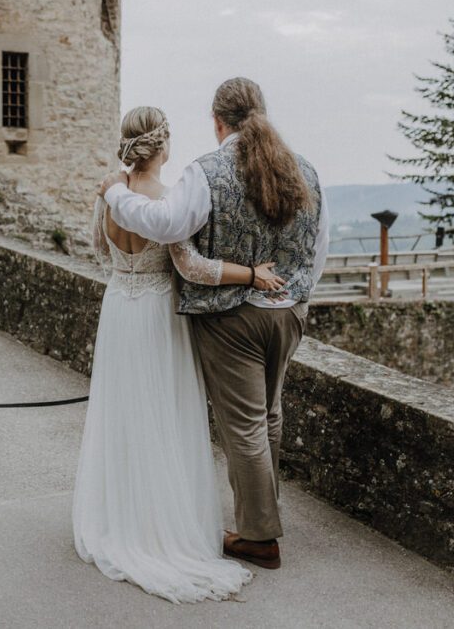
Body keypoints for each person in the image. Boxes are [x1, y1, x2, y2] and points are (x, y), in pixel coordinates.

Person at [99, 78, 329, 570]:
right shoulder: (305, 169)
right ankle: (265, 512)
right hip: (288, 312)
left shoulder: (207, 172)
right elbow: (318, 247)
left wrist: (115, 195)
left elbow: (168, 230)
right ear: (261, 113)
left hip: (232, 319)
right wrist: (297, 302)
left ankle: (260, 536)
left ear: (217, 121)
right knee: (269, 415)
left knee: (245, 425)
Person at [73, 106, 283, 603]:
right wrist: (251, 273)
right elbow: (191, 267)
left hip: (119, 309)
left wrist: (128, 270)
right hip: (158, 314)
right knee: (164, 414)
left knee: (123, 415)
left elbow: (101, 254)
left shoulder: (109, 199)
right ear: (162, 148)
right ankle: (163, 526)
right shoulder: (167, 202)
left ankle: (123, 519)